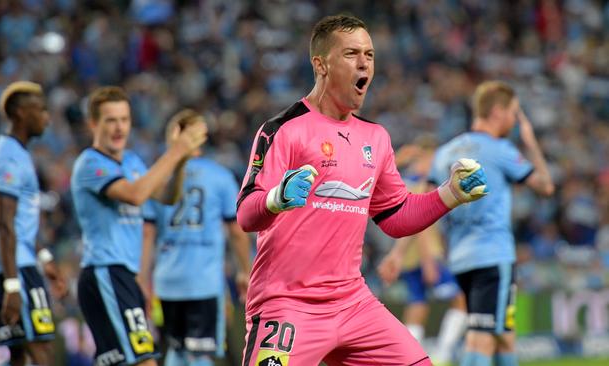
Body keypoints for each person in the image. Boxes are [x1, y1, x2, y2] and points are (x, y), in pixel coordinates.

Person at [236, 14, 488, 366]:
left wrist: (451, 194)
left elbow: (396, 215)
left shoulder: (376, 138)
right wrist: (276, 198)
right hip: (288, 304)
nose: (364, 63)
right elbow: (247, 213)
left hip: (352, 303)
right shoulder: (283, 130)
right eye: (352, 53)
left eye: (369, 55)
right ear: (321, 65)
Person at [71, 86, 207, 366]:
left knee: (124, 360)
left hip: (124, 275)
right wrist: (176, 150)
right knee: (144, 361)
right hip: (105, 272)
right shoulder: (90, 164)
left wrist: (179, 159)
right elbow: (136, 195)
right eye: (111, 120)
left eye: (124, 119)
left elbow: (167, 197)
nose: (119, 127)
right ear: (93, 124)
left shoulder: (132, 161)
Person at [427, 81, 555, 366]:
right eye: (513, 112)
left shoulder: (445, 152)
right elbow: (546, 187)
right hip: (493, 256)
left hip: (459, 258)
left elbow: (422, 205)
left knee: (502, 332)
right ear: (497, 111)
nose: (514, 120)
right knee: (481, 336)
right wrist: (530, 140)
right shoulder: (500, 150)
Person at [139, 109, 252, 366]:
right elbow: (236, 231)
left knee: (176, 350)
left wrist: (143, 280)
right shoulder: (220, 177)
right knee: (200, 355)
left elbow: (147, 232)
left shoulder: (156, 177)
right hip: (204, 282)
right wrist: (245, 271)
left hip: (166, 282)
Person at [0, 81, 68, 366]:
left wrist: (43, 256)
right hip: (13, 266)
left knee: (18, 353)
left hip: (0, 262)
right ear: (18, 113)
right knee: (42, 350)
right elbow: (5, 223)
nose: (46, 117)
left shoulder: (0, 150)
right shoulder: (11, 158)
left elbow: (15, 222)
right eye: (39, 110)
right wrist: (13, 284)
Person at [377, 137, 467, 365]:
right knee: (460, 300)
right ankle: (443, 353)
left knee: (417, 304)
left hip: (406, 258)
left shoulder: (404, 183)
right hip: (424, 257)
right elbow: (421, 229)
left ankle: (409, 357)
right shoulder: (421, 185)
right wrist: (429, 261)